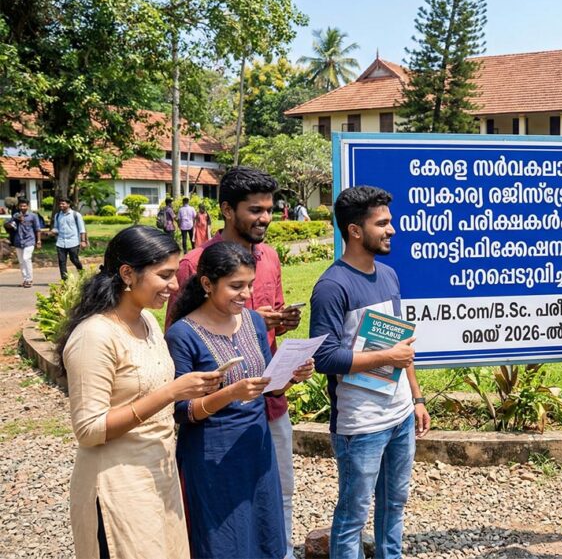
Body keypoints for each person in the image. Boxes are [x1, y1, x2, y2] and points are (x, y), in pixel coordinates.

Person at [57, 226, 222, 559]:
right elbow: (89, 430)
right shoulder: (95, 336)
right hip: (117, 484)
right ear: (127, 274)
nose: (174, 286)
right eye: (164, 275)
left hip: (159, 473)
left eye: (174, 275)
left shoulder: (147, 321)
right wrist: (170, 393)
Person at [166, 166, 303, 557]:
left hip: (265, 406)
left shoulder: (269, 257)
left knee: (274, 502)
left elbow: (266, 321)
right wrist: (226, 392)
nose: (265, 218)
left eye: (269, 210)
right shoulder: (194, 264)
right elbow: (180, 349)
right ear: (227, 210)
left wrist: (278, 327)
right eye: (255, 210)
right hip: (214, 431)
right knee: (222, 523)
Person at [311, 185, 431, 558]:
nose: (391, 229)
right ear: (354, 231)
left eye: (389, 221)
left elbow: (401, 348)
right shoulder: (331, 287)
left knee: (395, 503)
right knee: (353, 515)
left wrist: (417, 398)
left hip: (400, 417)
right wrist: (385, 357)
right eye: (381, 223)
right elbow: (324, 358)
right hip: (361, 424)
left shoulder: (389, 275)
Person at [52, 197, 88, 280]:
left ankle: (81, 272)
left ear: (68, 204)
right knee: (61, 262)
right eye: (60, 204)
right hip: (60, 242)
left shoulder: (76, 215)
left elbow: (82, 229)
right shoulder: (57, 215)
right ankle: (65, 281)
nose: (61, 205)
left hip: (73, 242)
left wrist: (83, 241)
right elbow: (56, 228)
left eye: (63, 204)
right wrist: (52, 232)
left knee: (74, 259)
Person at [9, 198, 42, 287]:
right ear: (18, 206)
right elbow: (8, 225)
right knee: (21, 261)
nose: (22, 207)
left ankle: (29, 280)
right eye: (21, 206)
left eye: (24, 206)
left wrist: (39, 240)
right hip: (18, 241)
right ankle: (25, 279)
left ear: (28, 206)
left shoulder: (33, 216)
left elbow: (38, 229)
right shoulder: (15, 215)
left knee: (26, 258)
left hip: (29, 240)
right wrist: (14, 221)